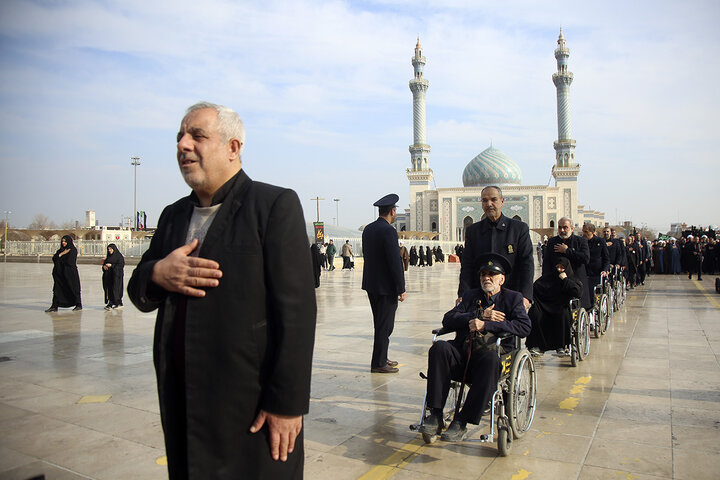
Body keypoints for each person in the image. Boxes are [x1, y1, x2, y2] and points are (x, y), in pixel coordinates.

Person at [126, 102, 316, 479]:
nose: (183, 145)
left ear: (233, 147)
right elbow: (137, 291)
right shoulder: (173, 216)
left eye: (197, 136)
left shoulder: (272, 206)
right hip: (186, 404)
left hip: (250, 409)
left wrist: (287, 404)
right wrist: (158, 273)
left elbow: (296, 313)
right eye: (180, 137)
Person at [419, 253, 531, 441]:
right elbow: (448, 319)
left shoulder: (513, 299)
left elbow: (524, 326)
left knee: (490, 359)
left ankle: (462, 420)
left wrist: (487, 325)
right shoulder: (470, 296)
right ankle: (436, 414)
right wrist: (477, 315)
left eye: (492, 274)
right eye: (483, 274)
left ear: (501, 279)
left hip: (488, 357)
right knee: (439, 348)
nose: (486, 278)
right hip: (464, 352)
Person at [458, 186, 534, 308]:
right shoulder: (473, 231)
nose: (489, 204)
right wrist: (463, 294)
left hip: (511, 295)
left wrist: (526, 296)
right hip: (480, 296)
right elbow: (467, 265)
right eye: (485, 200)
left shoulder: (518, 229)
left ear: (502, 201)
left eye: (493, 199)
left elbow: (526, 264)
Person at [362, 194, 406, 374]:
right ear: (392, 212)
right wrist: (401, 288)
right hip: (386, 287)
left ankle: (382, 357)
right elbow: (394, 261)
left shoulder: (368, 229)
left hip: (371, 284)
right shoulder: (388, 231)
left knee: (380, 324)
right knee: (385, 325)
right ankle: (378, 363)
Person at [526, 257, 584, 355]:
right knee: (535, 314)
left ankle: (561, 346)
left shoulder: (572, 279)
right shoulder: (548, 278)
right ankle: (537, 345)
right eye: (557, 267)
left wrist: (565, 279)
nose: (559, 270)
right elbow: (536, 287)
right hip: (544, 307)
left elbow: (577, 293)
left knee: (562, 315)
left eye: (562, 268)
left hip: (560, 306)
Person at [543, 217, 590, 309]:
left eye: (565, 227)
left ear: (572, 228)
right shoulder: (552, 242)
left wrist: (567, 251)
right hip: (558, 282)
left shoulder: (580, 241)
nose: (562, 230)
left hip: (576, 281)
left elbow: (585, 258)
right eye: (560, 227)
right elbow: (547, 262)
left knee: (578, 308)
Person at [45, 235, 82, 312]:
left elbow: (69, 262)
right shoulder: (60, 250)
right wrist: (61, 254)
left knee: (73, 288)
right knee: (57, 290)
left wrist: (60, 259)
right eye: (62, 241)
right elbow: (54, 258)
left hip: (70, 273)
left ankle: (78, 304)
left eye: (65, 241)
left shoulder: (72, 250)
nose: (63, 243)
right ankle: (54, 306)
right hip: (60, 274)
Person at [582, 223, 609, 308]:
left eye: (586, 232)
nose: (584, 234)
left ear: (592, 232)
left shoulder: (600, 242)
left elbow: (606, 258)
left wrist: (605, 269)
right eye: (583, 232)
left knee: (593, 294)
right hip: (585, 272)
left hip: (596, 273)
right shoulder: (581, 241)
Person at [102, 243, 125, 310]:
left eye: (110, 249)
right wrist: (104, 266)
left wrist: (112, 266)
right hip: (109, 277)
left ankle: (118, 303)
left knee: (116, 289)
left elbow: (121, 266)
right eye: (108, 249)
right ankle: (110, 303)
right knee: (109, 290)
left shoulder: (119, 257)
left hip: (116, 277)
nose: (109, 250)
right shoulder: (109, 257)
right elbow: (104, 264)